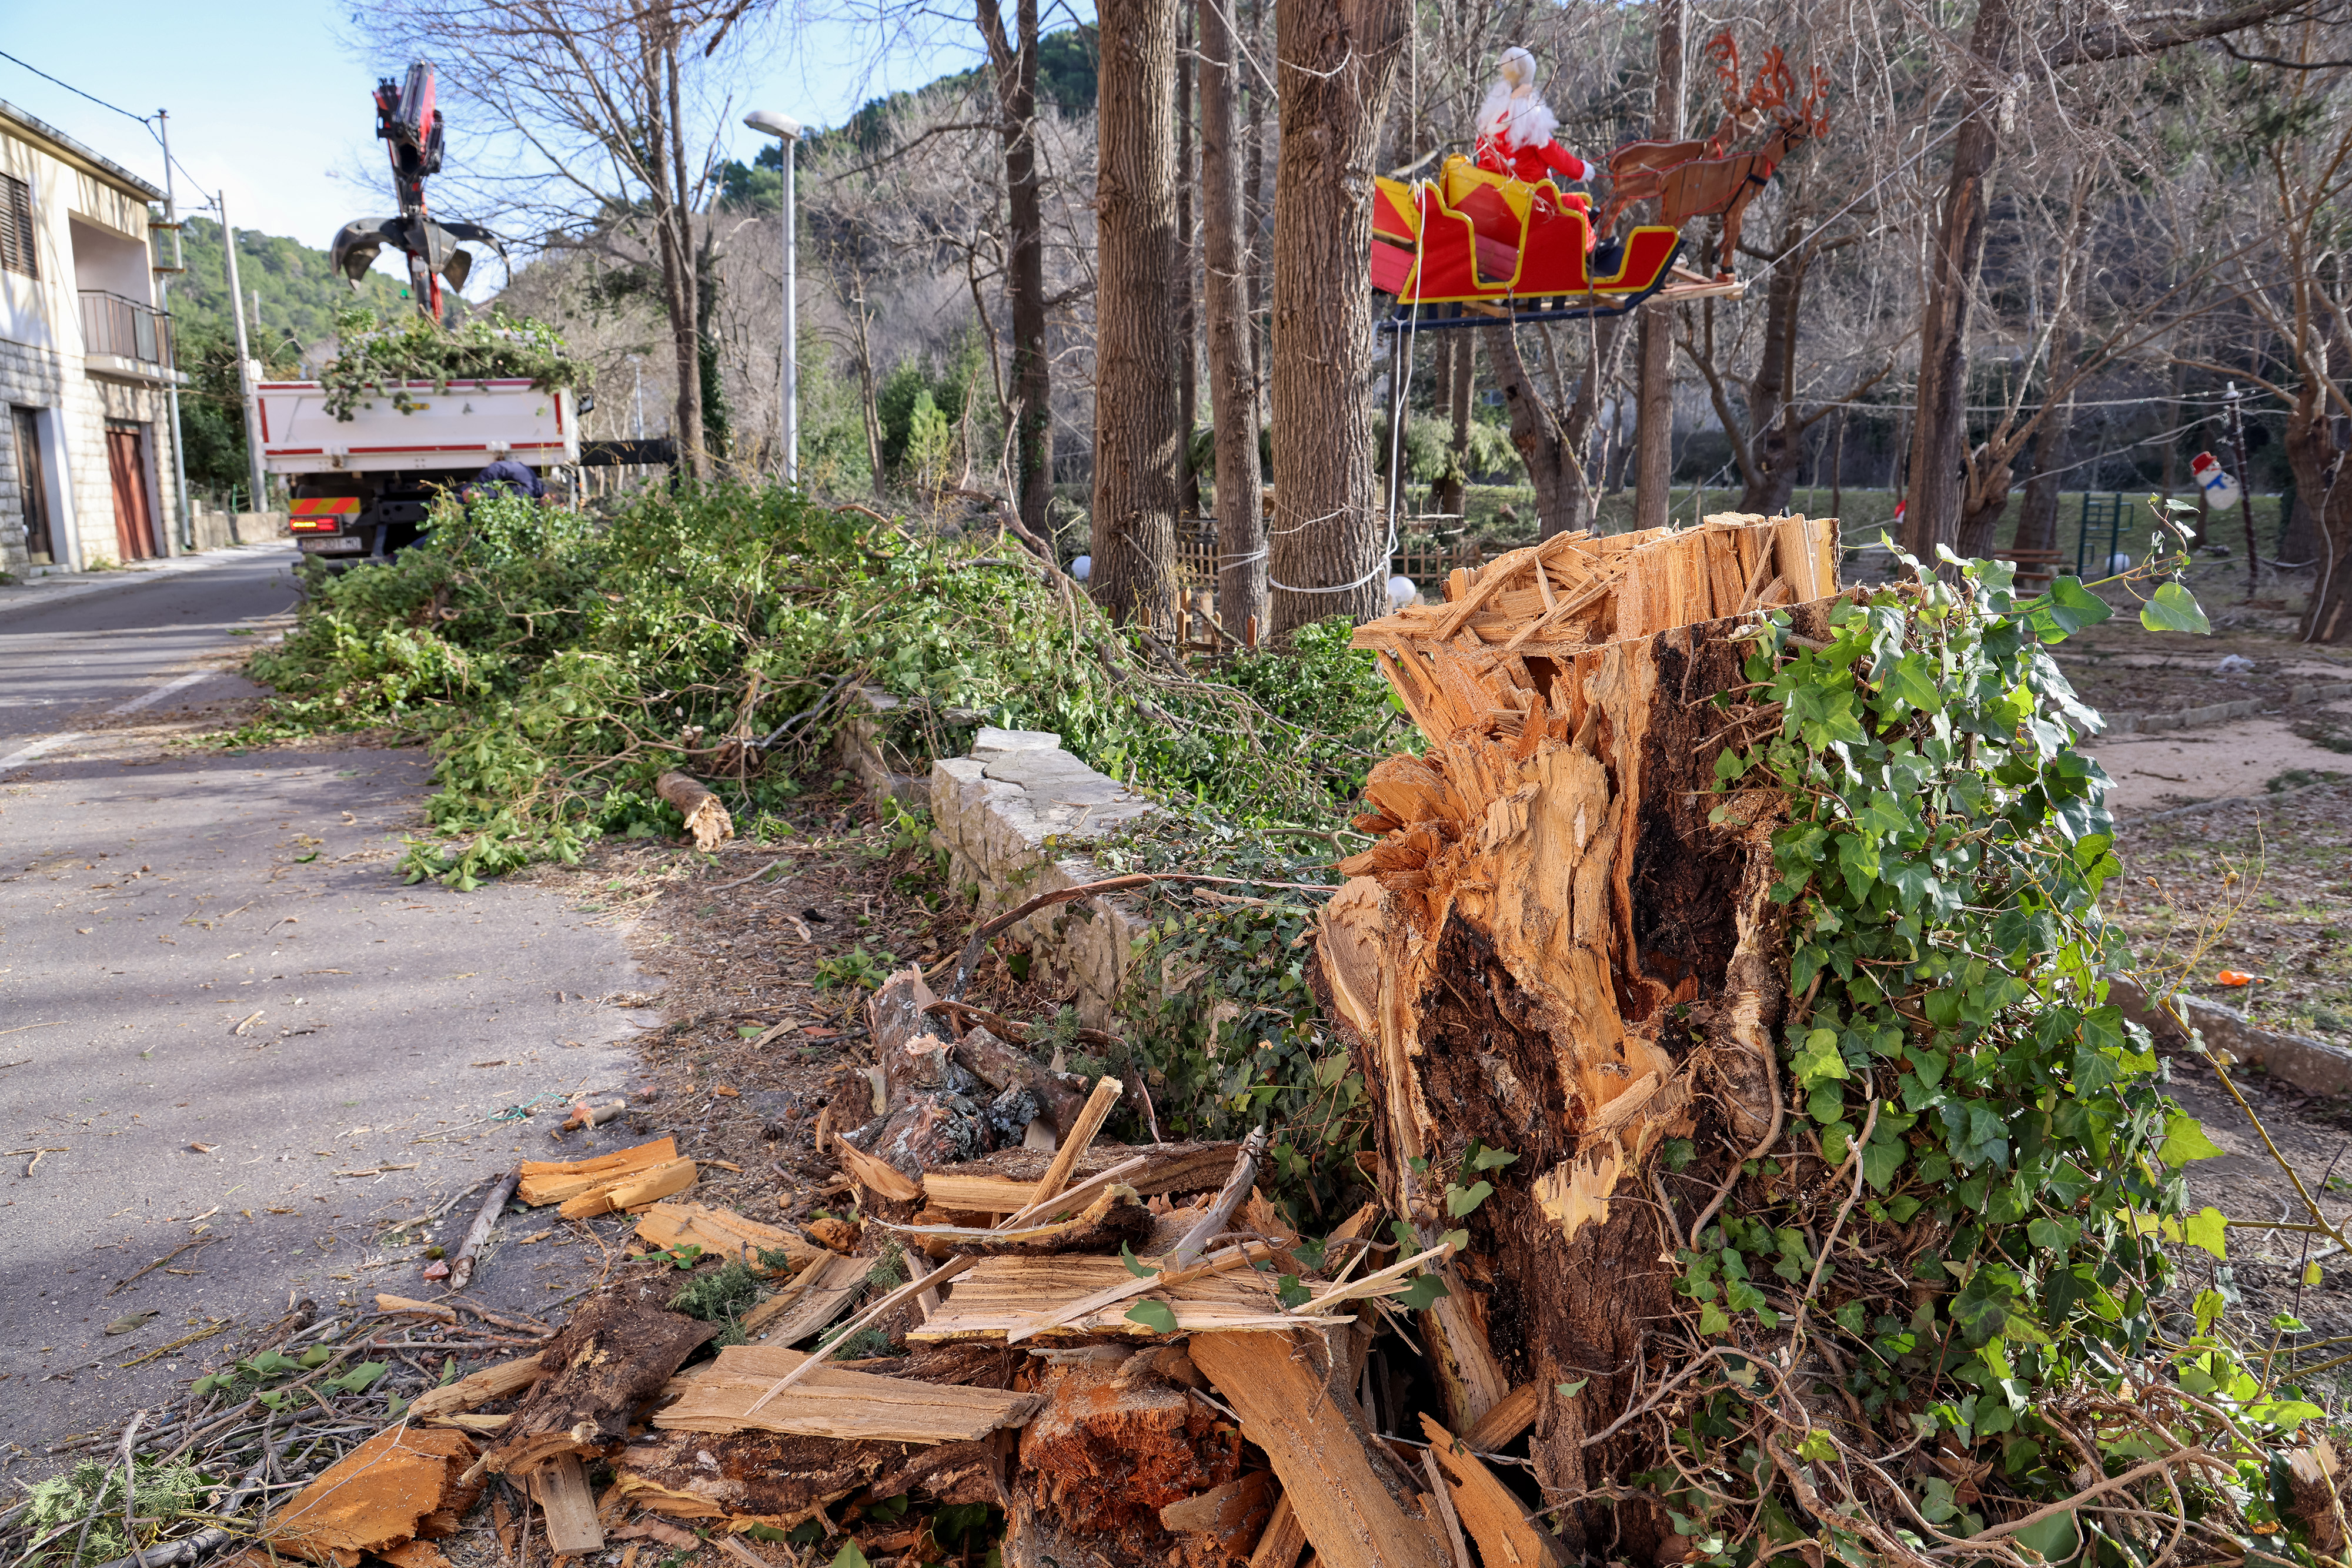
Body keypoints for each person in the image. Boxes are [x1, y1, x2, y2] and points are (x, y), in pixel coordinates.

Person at [1475, 48, 1595, 188]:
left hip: (1489, 187)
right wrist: (1581, 170)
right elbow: (1551, 151)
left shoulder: (1492, 111)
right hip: (1526, 190)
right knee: (1578, 201)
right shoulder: (1528, 114)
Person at [467, 457, 546, 501]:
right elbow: (497, 468)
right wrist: (477, 489)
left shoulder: (534, 497)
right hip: (469, 493)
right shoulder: (528, 477)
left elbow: (505, 493)